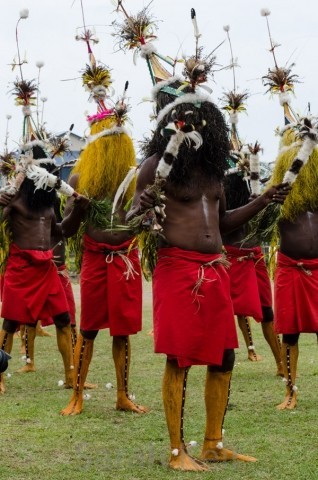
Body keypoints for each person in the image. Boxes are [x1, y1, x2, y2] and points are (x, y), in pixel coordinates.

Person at [126, 77, 289, 470]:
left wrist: (264, 199)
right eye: (187, 120)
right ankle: (176, 451)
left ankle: (213, 443)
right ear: (173, 125)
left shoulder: (215, 173)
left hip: (215, 269)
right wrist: (142, 204)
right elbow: (127, 219)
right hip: (176, 268)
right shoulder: (155, 168)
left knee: (225, 357)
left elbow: (226, 224)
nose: (194, 127)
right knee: (180, 358)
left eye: (201, 121)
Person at [60, 107, 146, 416]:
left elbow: (142, 217)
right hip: (96, 259)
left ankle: (123, 395)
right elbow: (66, 229)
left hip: (126, 260)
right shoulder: (81, 177)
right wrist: (78, 210)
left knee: (121, 331)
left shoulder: (134, 177)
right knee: (89, 329)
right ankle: (77, 396)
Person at [0, 149, 74, 394]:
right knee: (10, 323)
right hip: (20, 268)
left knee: (64, 319)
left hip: (46, 268)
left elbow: (58, 232)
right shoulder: (15, 201)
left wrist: (80, 211)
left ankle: (71, 376)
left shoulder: (48, 206)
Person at [262, 122, 318, 410]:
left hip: (317, 271)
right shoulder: (279, 199)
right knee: (290, 334)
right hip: (289, 271)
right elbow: (259, 226)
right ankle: (291, 392)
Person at [222, 169, 283, 374]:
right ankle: (245, 351)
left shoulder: (257, 204)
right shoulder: (222, 211)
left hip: (255, 259)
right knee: (233, 310)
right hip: (232, 259)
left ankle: (280, 363)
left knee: (267, 312)